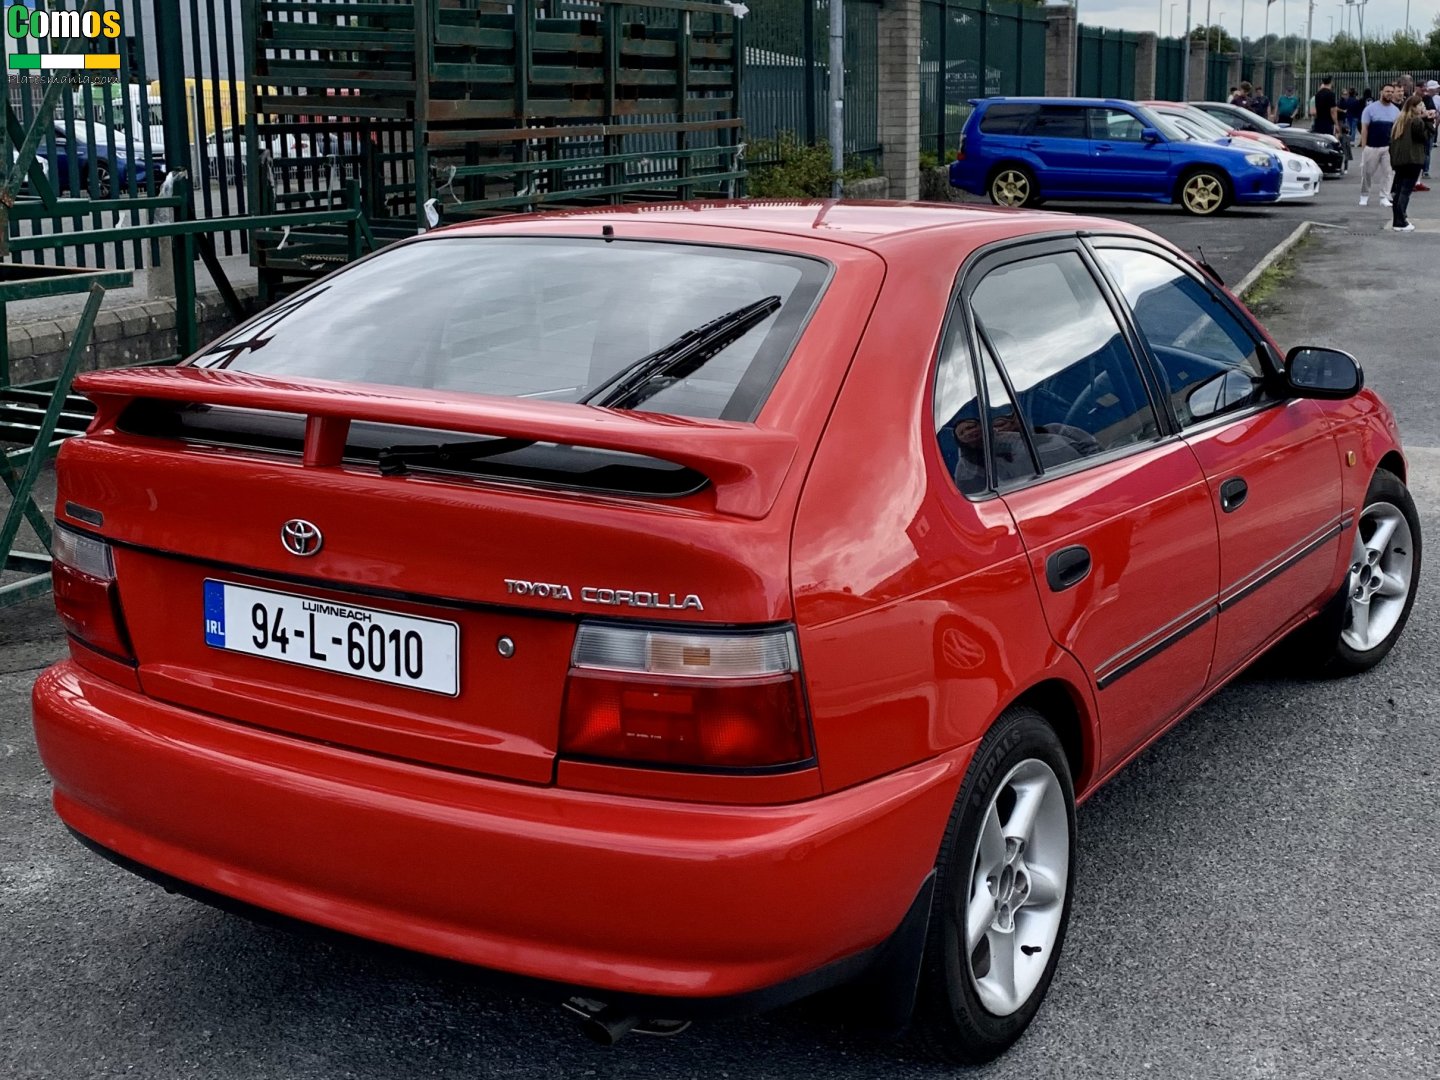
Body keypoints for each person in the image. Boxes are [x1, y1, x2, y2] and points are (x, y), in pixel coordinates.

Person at [1389, 93, 1428, 232]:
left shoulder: (1399, 121)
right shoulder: (1416, 121)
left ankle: (1397, 220)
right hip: (1413, 160)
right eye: (1420, 105)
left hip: (1400, 161)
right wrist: (1429, 121)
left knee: (1399, 191)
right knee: (1405, 192)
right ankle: (1401, 221)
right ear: (1413, 107)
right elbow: (1424, 138)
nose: (1423, 107)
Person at [1358, 84, 1399, 208]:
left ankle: (1384, 196)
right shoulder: (1370, 109)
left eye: (1392, 92)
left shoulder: (1396, 110)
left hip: (1388, 147)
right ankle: (1364, 196)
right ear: (1381, 92)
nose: (1389, 94)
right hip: (1372, 146)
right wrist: (1364, 147)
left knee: (1389, 173)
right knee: (1367, 173)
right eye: (1387, 91)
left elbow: (1397, 130)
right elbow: (1364, 128)